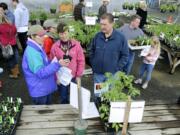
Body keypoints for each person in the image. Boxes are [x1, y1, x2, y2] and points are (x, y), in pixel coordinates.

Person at [22, 25, 69, 105]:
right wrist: (57, 64)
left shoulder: (37, 47)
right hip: (40, 91)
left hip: (43, 88)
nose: (44, 37)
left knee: (47, 113)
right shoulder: (33, 52)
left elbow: (43, 65)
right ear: (32, 37)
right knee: (42, 115)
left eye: (44, 34)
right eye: (40, 35)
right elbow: (40, 73)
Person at [89, 13, 129, 97]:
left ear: (112, 23)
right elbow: (91, 51)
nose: (102, 27)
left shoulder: (120, 38)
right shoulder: (97, 36)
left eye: (105, 24)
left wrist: (117, 67)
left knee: (111, 95)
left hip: (112, 75)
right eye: (101, 24)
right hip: (99, 74)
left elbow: (125, 56)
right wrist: (94, 63)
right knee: (99, 95)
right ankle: (98, 107)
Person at [50, 22, 85, 104]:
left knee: (75, 97)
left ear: (69, 32)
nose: (64, 36)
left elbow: (81, 61)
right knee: (63, 97)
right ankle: (64, 112)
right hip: (62, 77)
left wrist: (79, 75)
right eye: (61, 34)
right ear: (58, 34)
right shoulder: (55, 47)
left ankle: (74, 112)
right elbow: (52, 63)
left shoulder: (76, 45)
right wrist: (56, 78)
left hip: (74, 76)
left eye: (65, 33)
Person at [0, 12, 20, 78]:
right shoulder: (13, 26)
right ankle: (17, 71)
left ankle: (14, 74)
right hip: (13, 43)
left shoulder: (1, 27)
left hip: (6, 45)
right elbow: (15, 33)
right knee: (14, 57)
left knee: (9, 59)